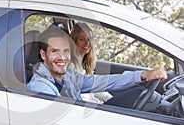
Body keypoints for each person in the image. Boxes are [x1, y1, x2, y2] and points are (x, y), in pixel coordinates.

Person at [27, 25, 167, 108]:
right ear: (43, 55)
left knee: (137, 92)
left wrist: (143, 75)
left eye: (66, 51)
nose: (62, 58)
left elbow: (103, 82)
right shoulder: (41, 89)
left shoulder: (68, 76)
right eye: (55, 51)